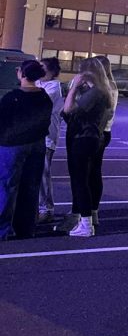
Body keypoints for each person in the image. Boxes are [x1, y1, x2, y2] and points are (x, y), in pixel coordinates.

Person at [62, 56, 116, 239]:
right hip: (93, 138)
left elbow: (67, 110)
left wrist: (74, 88)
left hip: (84, 139)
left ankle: (86, 224)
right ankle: (87, 220)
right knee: (86, 178)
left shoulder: (95, 94)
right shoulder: (104, 91)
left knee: (80, 181)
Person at [0, 60, 53, 240]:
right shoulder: (44, 98)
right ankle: (26, 227)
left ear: (22, 74)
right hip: (36, 145)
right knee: (30, 187)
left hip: (12, 146)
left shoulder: (12, 97)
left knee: (7, 186)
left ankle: (4, 229)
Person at [91, 55, 119, 229]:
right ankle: (94, 210)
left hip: (97, 132)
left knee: (88, 173)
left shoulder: (102, 88)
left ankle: (88, 212)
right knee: (95, 172)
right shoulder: (113, 86)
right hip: (105, 132)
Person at [37, 56, 65, 225]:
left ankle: (46, 209)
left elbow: (39, 101)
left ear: (51, 71)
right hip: (37, 135)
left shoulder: (53, 87)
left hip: (47, 137)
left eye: (42, 67)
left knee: (43, 174)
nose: (39, 70)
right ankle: (38, 207)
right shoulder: (40, 84)